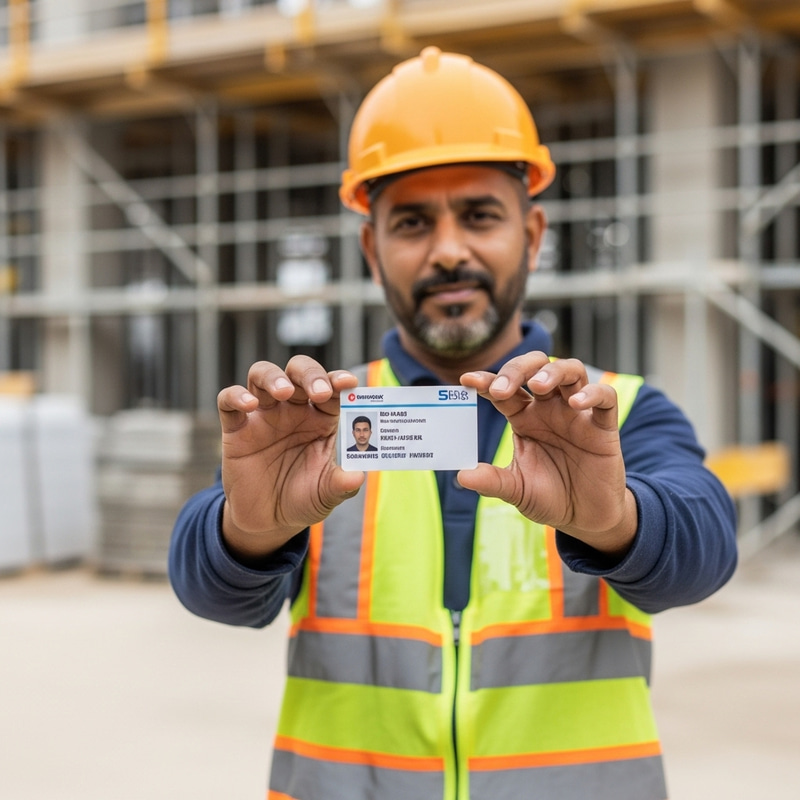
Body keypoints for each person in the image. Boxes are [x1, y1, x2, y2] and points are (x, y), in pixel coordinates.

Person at [169, 46, 737, 800]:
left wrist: (619, 521)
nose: (447, 251)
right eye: (411, 222)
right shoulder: (316, 422)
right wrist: (247, 531)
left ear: (532, 236)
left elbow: (706, 550)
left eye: (478, 216)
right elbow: (214, 592)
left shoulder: (617, 414)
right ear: (372, 249)